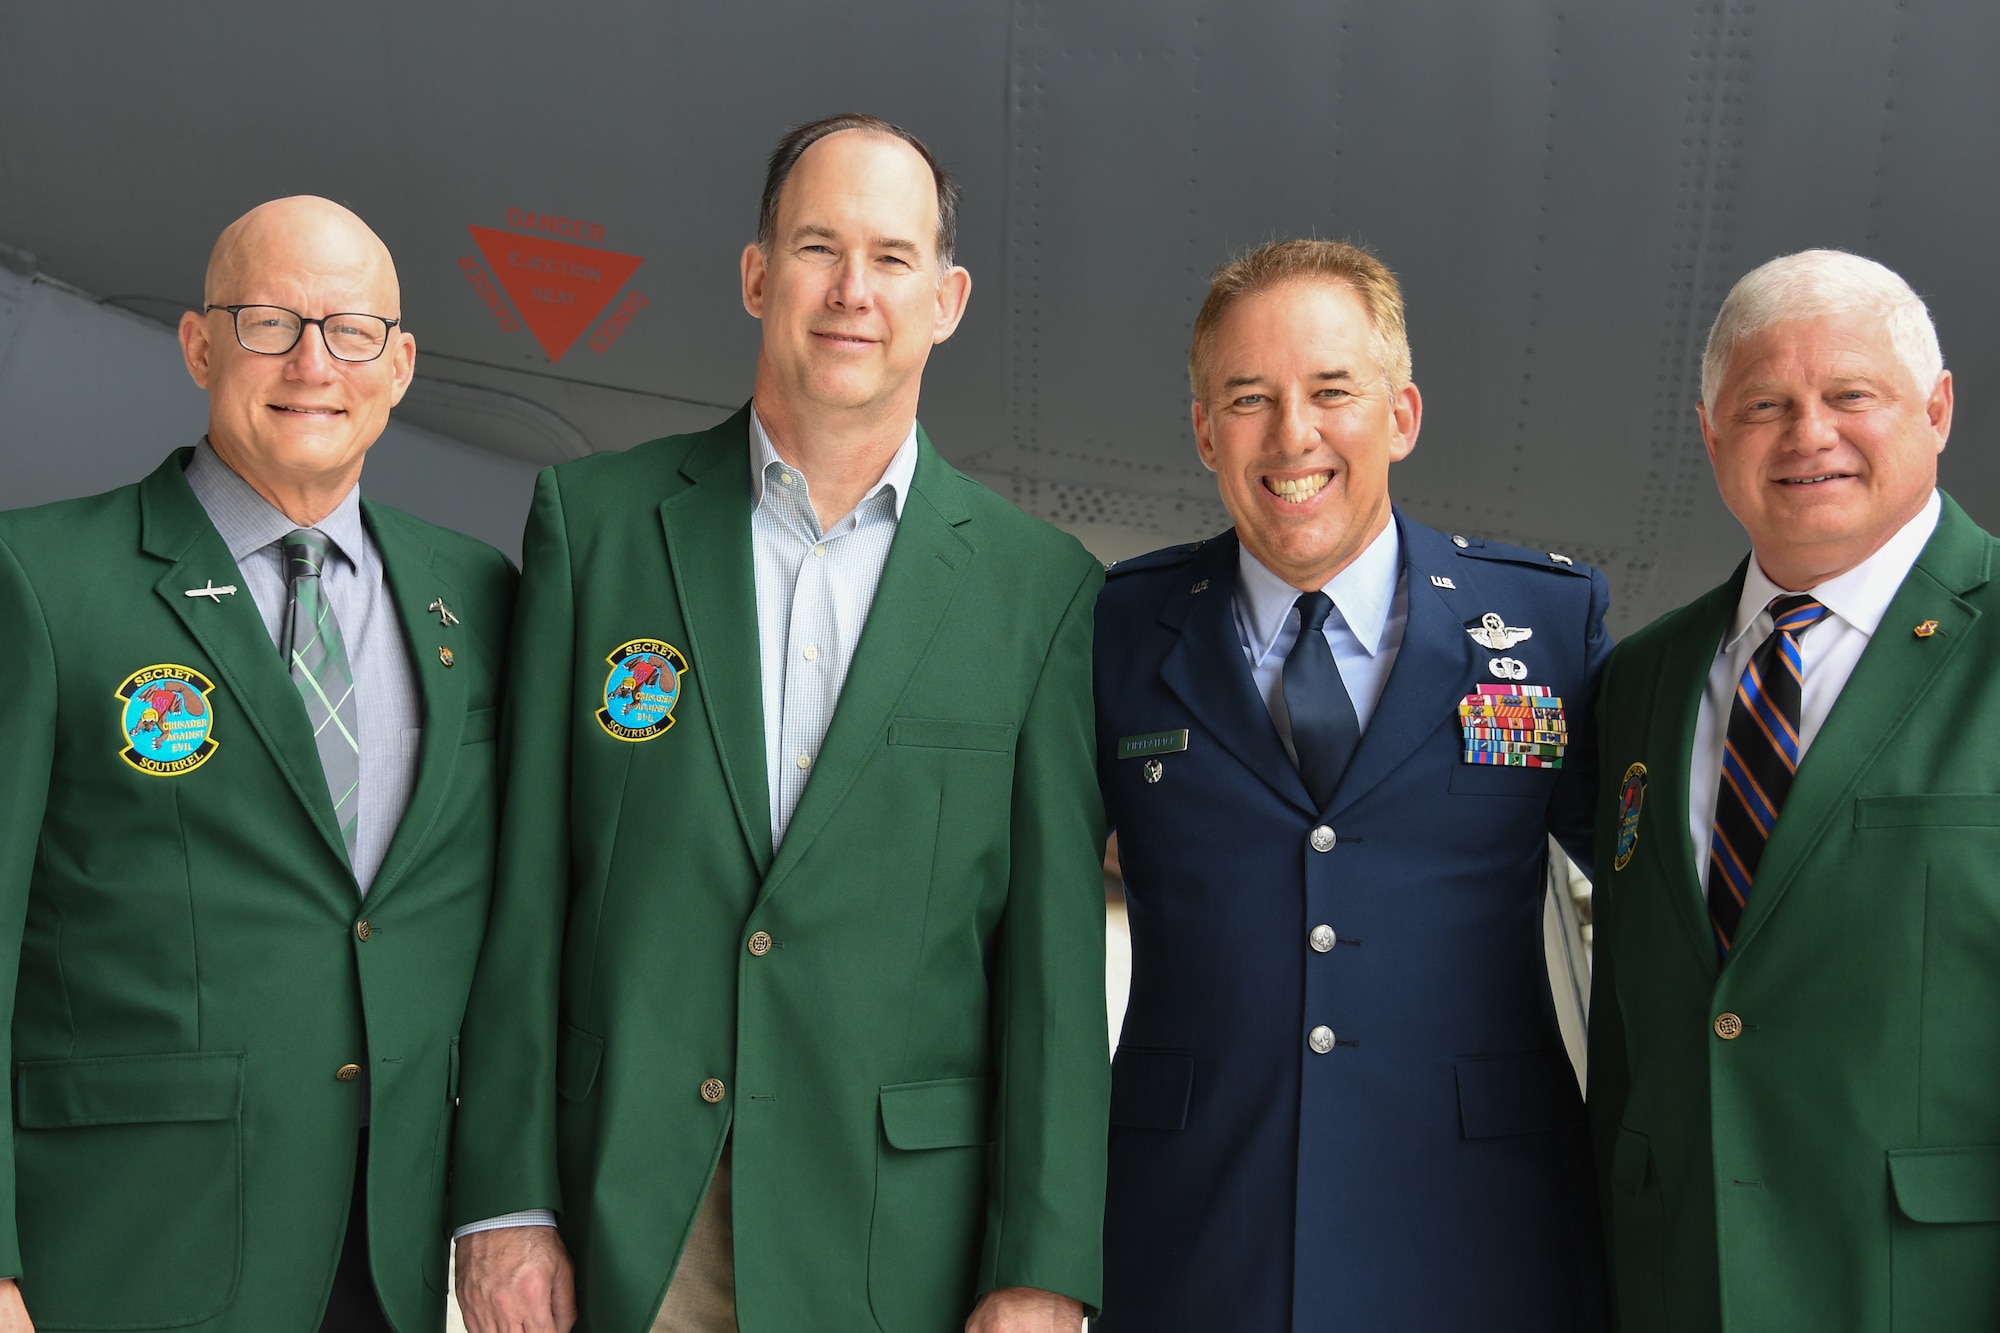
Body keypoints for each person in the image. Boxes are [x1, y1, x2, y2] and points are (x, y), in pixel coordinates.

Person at [452, 114, 1109, 1333]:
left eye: (892, 257)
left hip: (894, 1234)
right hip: (636, 1221)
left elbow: (1052, 975)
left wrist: (1040, 1266)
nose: (852, 291)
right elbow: (526, 892)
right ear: (757, 274)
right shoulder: (593, 528)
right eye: (816, 248)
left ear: (947, 298)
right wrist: (502, 1201)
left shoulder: (1039, 591)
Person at [0, 197, 518, 1331]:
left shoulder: (478, 596)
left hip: (380, 1255)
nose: (311, 364)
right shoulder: (37, 583)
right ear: (197, 345)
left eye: (350, 331)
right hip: (124, 1248)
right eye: (269, 322)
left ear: (401, 364)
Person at [1093, 239, 1611, 1330]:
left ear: (1401, 415)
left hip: (1479, 1240)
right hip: (1195, 1238)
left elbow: (1657, 913)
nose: (1293, 435)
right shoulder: (1114, 629)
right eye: (1248, 398)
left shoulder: (1548, 627)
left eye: (1332, 391)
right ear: (1201, 431)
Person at [1589, 249, 2000, 1330]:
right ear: (1710, 433)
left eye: (1848, 395)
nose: (1807, 432)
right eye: (1764, 403)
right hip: (1677, 1283)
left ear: (1936, 407)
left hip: (1922, 1290)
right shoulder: (1641, 679)